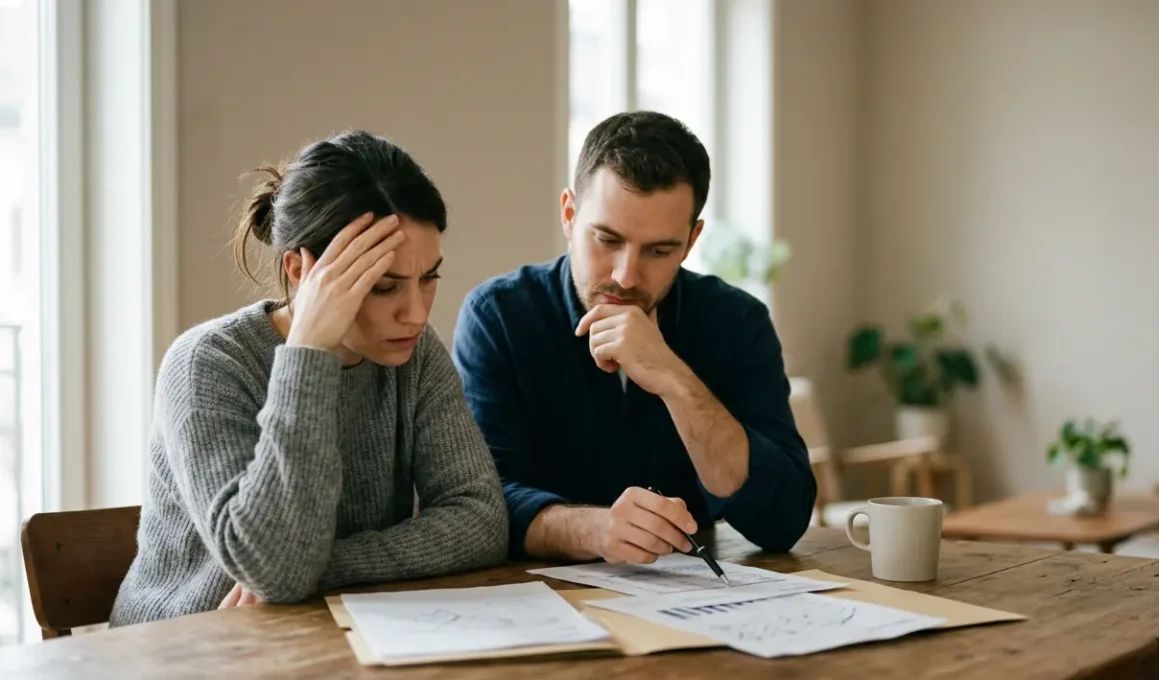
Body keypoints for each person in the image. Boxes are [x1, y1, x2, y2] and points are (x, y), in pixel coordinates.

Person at [110, 131, 508, 626]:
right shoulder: (207, 364)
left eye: (429, 278)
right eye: (383, 286)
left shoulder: (414, 354)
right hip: (182, 645)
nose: (415, 313)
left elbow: (482, 520)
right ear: (299, 269)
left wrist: (323, 567)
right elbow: (276, 569)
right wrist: (308, 353)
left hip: (315, 630)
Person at [452, 111, 815, 565]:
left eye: (659, 251)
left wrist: (673, 378)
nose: (626, 276)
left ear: (691, 239)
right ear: (569, 214)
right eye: (607, 240)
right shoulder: (499, 317)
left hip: (695, 604)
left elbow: (782, 519)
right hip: (531, 604)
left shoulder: (737, 322)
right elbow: (481, 506)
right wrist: (595, 531)